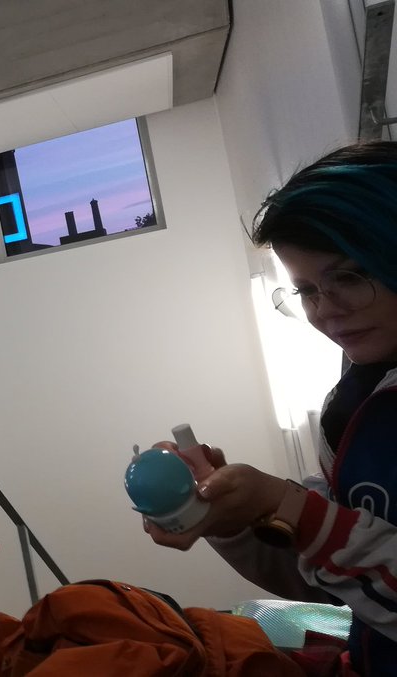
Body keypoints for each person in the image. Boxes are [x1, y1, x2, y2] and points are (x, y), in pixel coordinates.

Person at [143, 141, 397, 676]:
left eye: (349, 276)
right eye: (305, 290)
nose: (326, 311)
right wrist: (233, 517)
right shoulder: (354, 400)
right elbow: (335, 579)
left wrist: (289, 508)